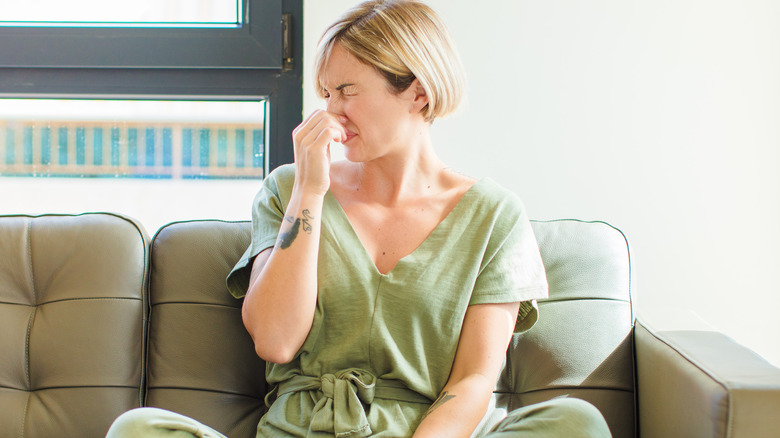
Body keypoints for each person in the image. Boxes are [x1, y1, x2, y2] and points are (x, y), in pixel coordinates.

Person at [106, 1, 612, 437]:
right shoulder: (289, 188)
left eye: (347, 91)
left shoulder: (494, 215)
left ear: (418, 92)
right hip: (299, 429)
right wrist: (311, 189)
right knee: (139, 429)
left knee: (575, 423)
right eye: (325, 93)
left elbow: (474, 381)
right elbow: (276, 340)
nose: (330, 111)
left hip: (423, 431)